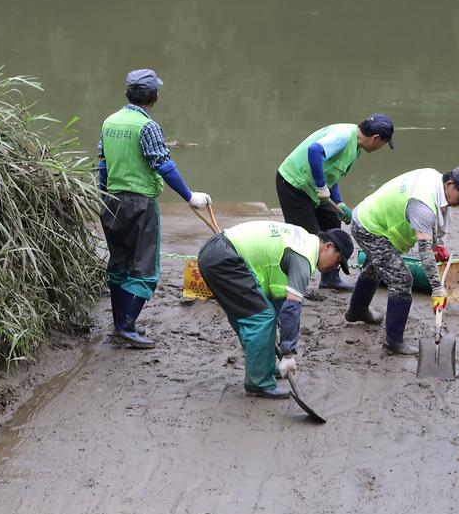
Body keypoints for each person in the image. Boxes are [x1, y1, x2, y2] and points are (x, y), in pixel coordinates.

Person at [98, 68, 211, 349]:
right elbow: (163, 164)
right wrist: (189, 195)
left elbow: (102, 165)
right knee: (144, 268)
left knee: (119, 264)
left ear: (127, 94)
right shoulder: (147, 127)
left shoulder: (110, 122)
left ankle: (121, 324)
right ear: (154, 97)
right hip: (139, 205)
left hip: (109, 201)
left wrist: (102, 193)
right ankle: (125, 327)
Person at [198, 221, 354, 398]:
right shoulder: (303, 257)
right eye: (338, 261)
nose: (336, 268)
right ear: (328, 247)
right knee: (262, 318)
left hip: (215, 252)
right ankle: (259, 383)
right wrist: (288, 353)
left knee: (255, 314)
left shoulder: (303, 240)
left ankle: (265, 367)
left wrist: (278, 328)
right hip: (224, 257)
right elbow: (292, 308)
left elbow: (280, 298)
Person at [344, 166, 459, 354]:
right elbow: (425, 253)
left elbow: (440, 216)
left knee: (374, 266)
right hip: (369, 227)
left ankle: (357, 311)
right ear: (450, 185)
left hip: (372, 217)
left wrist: (438, 244)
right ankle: (394, 341)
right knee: (401, 279)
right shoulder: (423, 205)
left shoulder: (435, 180)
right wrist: (437, 288)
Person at [275, 113, 394, 291]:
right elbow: (314, 150)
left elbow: (332, 172)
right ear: (376, 138)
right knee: (308, 237)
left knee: (332, 219)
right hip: (295, 184)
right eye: (384, 143)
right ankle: (293, 285)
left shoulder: (357, 146)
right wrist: (322, 186)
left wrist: (339, 202)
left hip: (313, 187)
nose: (382, 147)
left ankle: (330, 279)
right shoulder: (344, 136)